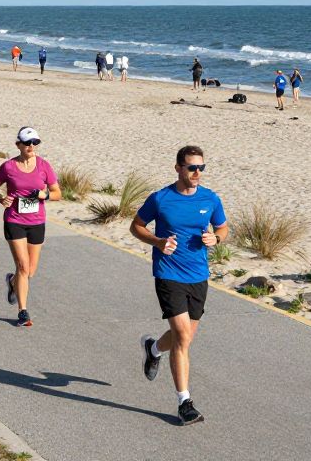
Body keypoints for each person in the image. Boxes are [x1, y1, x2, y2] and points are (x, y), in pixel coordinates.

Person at [132, 145, 228, 426]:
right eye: (191, 168)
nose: (197, 173)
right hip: (168, 273)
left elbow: (222, 228)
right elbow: (136, 225)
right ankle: (184, 401)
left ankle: (153, 350)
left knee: (183, 338)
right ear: (178, 168)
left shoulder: (210, 199)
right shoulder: (161, 199)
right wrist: (158, 242)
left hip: (198, 276)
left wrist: (217, 239)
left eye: (201, 168)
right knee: (184, 338)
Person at [0, 127, 60, 328]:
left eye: (35, 142)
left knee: (30, 271)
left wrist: (46, 196)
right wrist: (2, 198)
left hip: (37, 222)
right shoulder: (8, 167)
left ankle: (12, 283)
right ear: (18, 144)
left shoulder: (44, 166)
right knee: (23, 266)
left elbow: (57, 193)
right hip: (14, 220)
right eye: (27, 143)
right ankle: (23, 311)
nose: (31, 146)